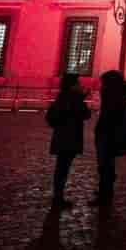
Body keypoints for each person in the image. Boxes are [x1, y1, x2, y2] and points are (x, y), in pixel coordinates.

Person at [45, 73, 91, 210]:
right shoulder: (74, 98)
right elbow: (85, 114)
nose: (80, 85)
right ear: (72, 86)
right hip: (70, 138)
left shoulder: (62, 97)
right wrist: (81, 99)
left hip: (61, 136)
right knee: (63, 169)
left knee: (61, 168)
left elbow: (51, 117)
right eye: (77, 83)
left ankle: (57, 196)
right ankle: (58, 198)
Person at [91, 69, 126, 206]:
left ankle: (105, 194)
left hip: (108, 134)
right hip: (115, 133)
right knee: (108, 164)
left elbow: (108, 115)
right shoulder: (122, 93)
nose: (101, 86)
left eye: (104, 83)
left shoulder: (112, 95)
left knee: (104, 165)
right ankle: (106, 191)